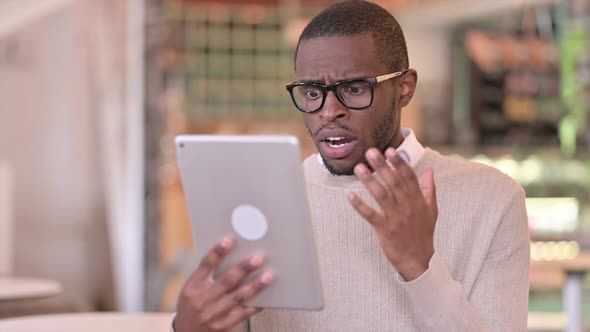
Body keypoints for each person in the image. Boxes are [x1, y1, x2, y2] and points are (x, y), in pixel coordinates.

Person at [173, 1, 530, 331]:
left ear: (404, 88)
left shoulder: (492, 198)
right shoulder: (262, 200)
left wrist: (420, 266)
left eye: (355, 89)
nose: (329, 112)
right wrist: (188, 328)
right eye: (312, 92)